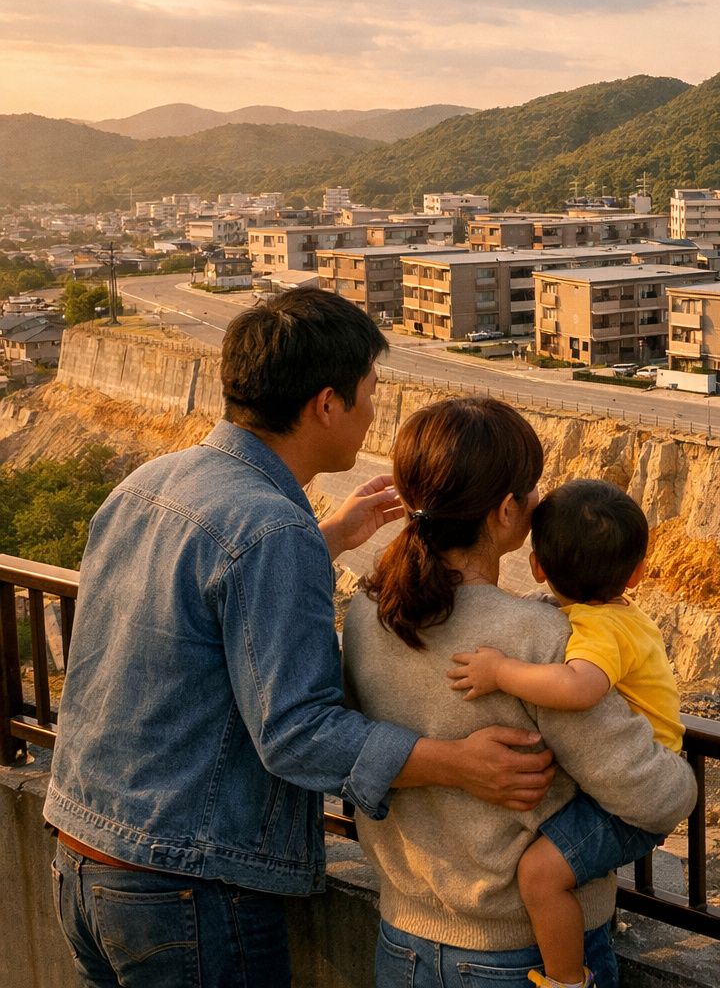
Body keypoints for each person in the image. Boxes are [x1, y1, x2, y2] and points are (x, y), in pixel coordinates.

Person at [45, 289, 556, 988]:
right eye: (370, 394)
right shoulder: (267, 531)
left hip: (84, 857)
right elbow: (296, 731)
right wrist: (454, 761)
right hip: (186, 886)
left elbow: (201, 612)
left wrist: (328, 539)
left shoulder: (153, 481)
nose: (375, 412)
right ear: (326, 404)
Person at [345, 400, 695, 988]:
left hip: (402, 939)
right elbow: (655, 797)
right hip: (517, 955)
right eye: (530, 493)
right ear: (505, 511)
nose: (538, 504)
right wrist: (677, 768)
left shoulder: (367, 612)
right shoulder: (536, 637)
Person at [449, 478, 683, 988]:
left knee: (540, 875)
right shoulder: (609, 617)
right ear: (638, 573)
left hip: (635, 798)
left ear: (537, 566)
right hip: (638, 778)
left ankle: (566, 981)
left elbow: (579, 689)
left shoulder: (601, 630)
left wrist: (502, 672)